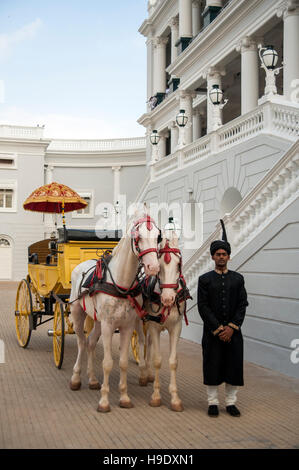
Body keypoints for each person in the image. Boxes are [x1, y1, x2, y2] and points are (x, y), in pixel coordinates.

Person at [197, 220, 248, 417]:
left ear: (228, 256)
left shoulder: (238, 279)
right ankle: (212, 402)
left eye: (224, 254)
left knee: (233, 366)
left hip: (233, 333)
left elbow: (242, 304)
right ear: (212, 257)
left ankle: (231, 403)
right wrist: (218, 328)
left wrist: (231, 328)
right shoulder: (204, 280)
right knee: (212, 365)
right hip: (212, 333)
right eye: (217, 254)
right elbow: (203, 306)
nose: (221, 257)